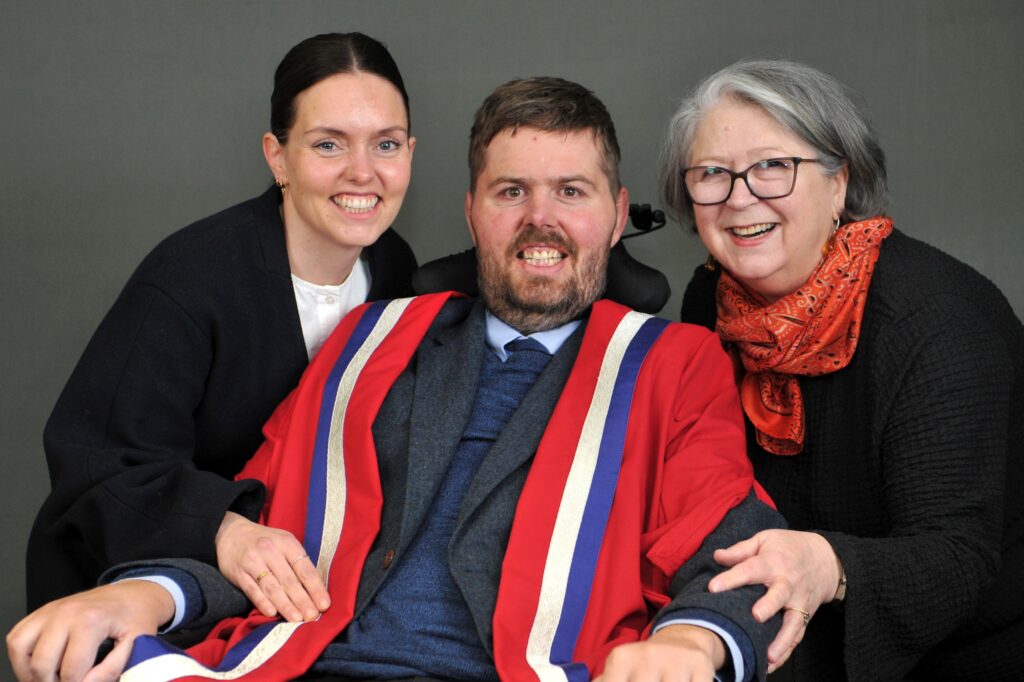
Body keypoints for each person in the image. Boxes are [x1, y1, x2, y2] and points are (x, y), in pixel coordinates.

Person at [9, 76, 785, 682]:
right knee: (86, 653)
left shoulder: (671, 364)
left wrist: (690, 640)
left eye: (571, 192)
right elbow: (268, 543)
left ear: (617, 217)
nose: (540, 220)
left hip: (522, 671)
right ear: (473, 212)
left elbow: (729, 542)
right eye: (511, 192)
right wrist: (139, 596)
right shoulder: (373, 338)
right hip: (307, 664)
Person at [25, 32, 419, 610]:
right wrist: (225, 528)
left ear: (411, 151)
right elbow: (97, 467)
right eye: (329, 145)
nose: (363, 173)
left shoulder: (395, 270)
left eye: (385, 145)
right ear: (277, 156)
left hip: (291, 586)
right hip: (145, 584)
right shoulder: (188, 280)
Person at [661, 59, 1024, 680]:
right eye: (712, 174)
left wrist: (830, 565)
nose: (740, 197)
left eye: (774, 166)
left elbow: (959, 557)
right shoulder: (709, 304)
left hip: (962, 653)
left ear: (838, 185)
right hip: (778, 635)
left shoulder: (936, 319)